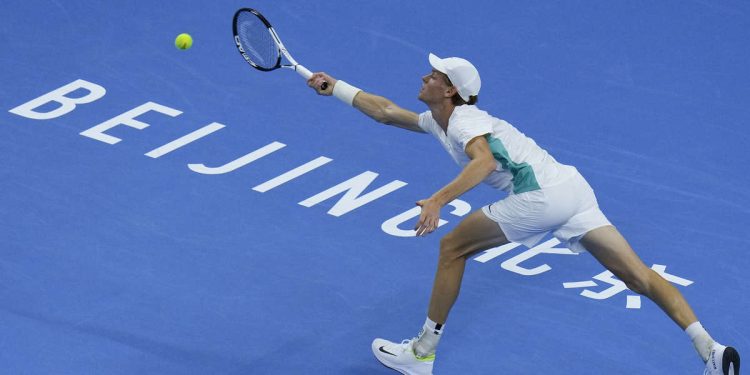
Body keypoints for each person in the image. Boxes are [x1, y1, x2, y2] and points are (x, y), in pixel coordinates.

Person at [306, 53, 740, 375]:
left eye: (434, 75)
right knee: (637, 276)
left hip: (541, 197)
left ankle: (421, 354)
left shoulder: (463, 122)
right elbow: (385, 113)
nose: (425, 76)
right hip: (573, 189)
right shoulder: (441, 120)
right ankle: (710, 350)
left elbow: (484, 163)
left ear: (450, 89)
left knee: (452, 248)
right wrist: (337, 88)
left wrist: (438, 199)